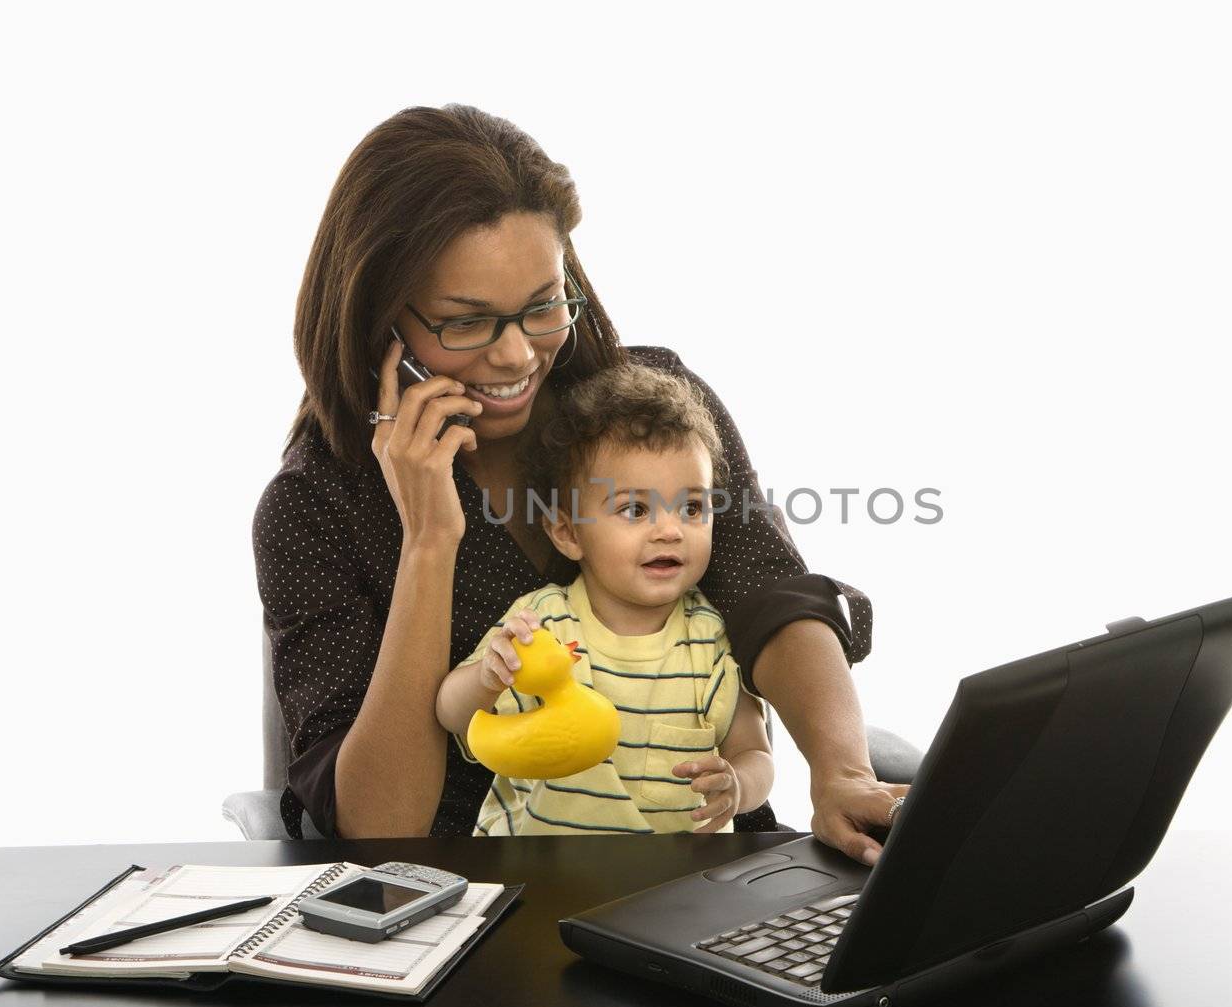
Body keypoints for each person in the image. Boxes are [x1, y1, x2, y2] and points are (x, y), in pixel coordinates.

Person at [252, 103, 907, 864]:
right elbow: (378, 823)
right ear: (377, 317)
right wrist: (428, 544)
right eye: (467, 322)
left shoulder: (650, 406)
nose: (517, 355)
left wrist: (842, 771)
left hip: (704, 879)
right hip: (479, 906)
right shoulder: (312, 508)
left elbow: (773, 593)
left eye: (542, 306)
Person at [435, 363, 775, 836]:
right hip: (537, 873)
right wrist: (488, 677)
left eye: (693, 507)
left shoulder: (712, 635)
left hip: (673, 884)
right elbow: (451, 714)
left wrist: (740, 784)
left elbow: (755, 751)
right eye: (635, 510)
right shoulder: (542, 623)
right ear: (569, 533)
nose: (670, 530)